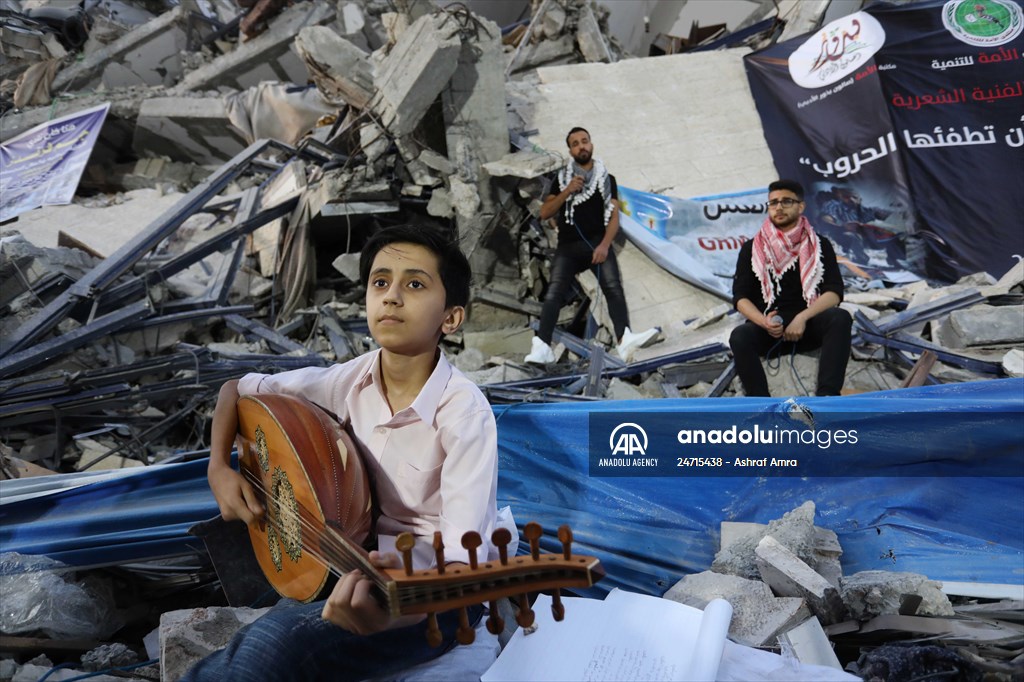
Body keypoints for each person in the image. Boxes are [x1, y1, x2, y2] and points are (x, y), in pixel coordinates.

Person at [185, 224, 516, 681]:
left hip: (432, 600)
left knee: (273, 645)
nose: (391, 297)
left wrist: (390, 616)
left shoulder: (463, 415)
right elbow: (235, 389)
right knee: (257, 649)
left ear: (451, 318)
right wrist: (218, 466)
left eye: (414, 284)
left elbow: (462, 570)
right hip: (347, 558)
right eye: (380, 282)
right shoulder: (350, 379)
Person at [524, 126, 658, 364]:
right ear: (570, 150)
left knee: (613, 288)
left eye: (584, 141)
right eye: (575, 143)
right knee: (554, 293)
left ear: (591, 144)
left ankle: (624, 340)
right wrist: (567, 191)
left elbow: (614, 216)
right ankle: (542, 347)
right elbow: (545, 212)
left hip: (597, 243)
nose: (581, 146)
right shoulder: (561, 180)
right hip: (567, 246)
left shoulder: (607, 179)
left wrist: (605, 245)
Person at [729, 180, 852, 397]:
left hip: (807, 326)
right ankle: (761, 404)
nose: (778, 207)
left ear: (800, 206)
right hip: (769, 330)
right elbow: (740, 296)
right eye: (773, 202)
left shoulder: (820, 245)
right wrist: (763, 321)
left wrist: (802, 318)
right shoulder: (752, 249)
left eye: (786, 201)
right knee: (740, 336)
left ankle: (827, 398)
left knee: (839, 318)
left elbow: (834, 292)